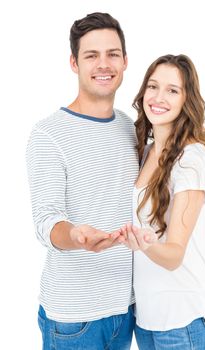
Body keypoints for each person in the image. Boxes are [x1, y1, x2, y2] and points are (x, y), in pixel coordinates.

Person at [26, 12, 138, 350]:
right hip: (75, 317)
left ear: (125, 61)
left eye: (112, 54)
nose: (103, 64)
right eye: (92, 55)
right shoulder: (48, 135)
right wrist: (75, 235)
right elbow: (46, 221)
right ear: (74, 63)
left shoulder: (130, 127)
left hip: (128, 309)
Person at [120, 54, 205, 349]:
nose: (158, 97)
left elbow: (175, 253)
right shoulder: (146, 152)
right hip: (147, 322)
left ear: (186, 100)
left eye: (172, 90)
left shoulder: (192, 159)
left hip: (185, 323)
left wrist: (144, 243)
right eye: (153, 86)